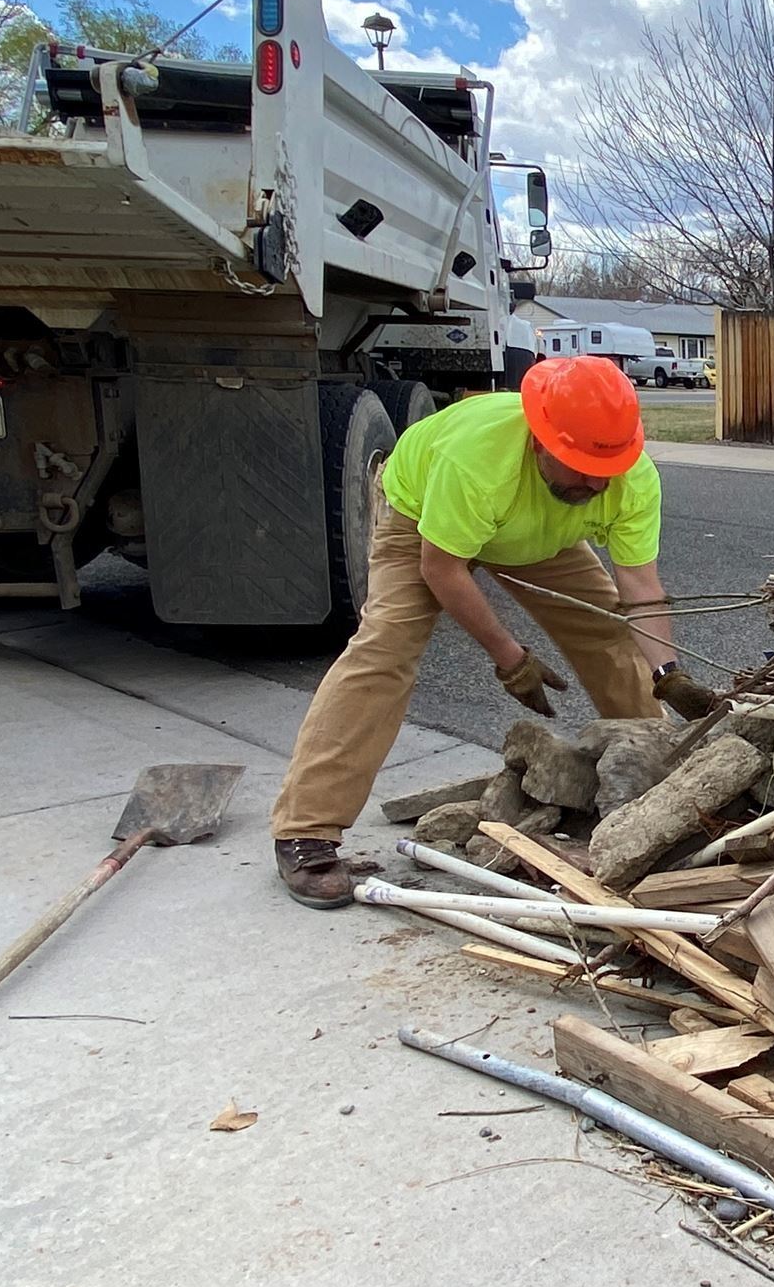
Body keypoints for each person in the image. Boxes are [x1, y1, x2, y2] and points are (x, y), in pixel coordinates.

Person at [269, 356, 716, 907]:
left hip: (536, 534)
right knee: (383, 652)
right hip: (426, 524)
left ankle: (658, 783)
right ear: (539, 442)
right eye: (579, 467)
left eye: (606, 469)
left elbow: (641, 590)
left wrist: (668, 673)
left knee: (608, 633)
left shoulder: (628, 480)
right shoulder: (477, 461)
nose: (594, 483)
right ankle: (306, 829)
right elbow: (442, 570)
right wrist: (511, 659)